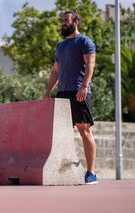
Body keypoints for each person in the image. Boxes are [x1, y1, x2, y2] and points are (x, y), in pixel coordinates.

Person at [43, 10, 97, 185]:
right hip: (63, 92)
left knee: (84, 130)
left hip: (78, 91)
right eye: (62, 21)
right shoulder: (61, 46)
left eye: (66, 20)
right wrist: (48, 91)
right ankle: (63, 170)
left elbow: (91, 64)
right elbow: (55, 71)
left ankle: (91, 173)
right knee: (62, 132)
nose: (63, 23)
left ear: (76, 22)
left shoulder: (84, 41)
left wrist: (84, 86)